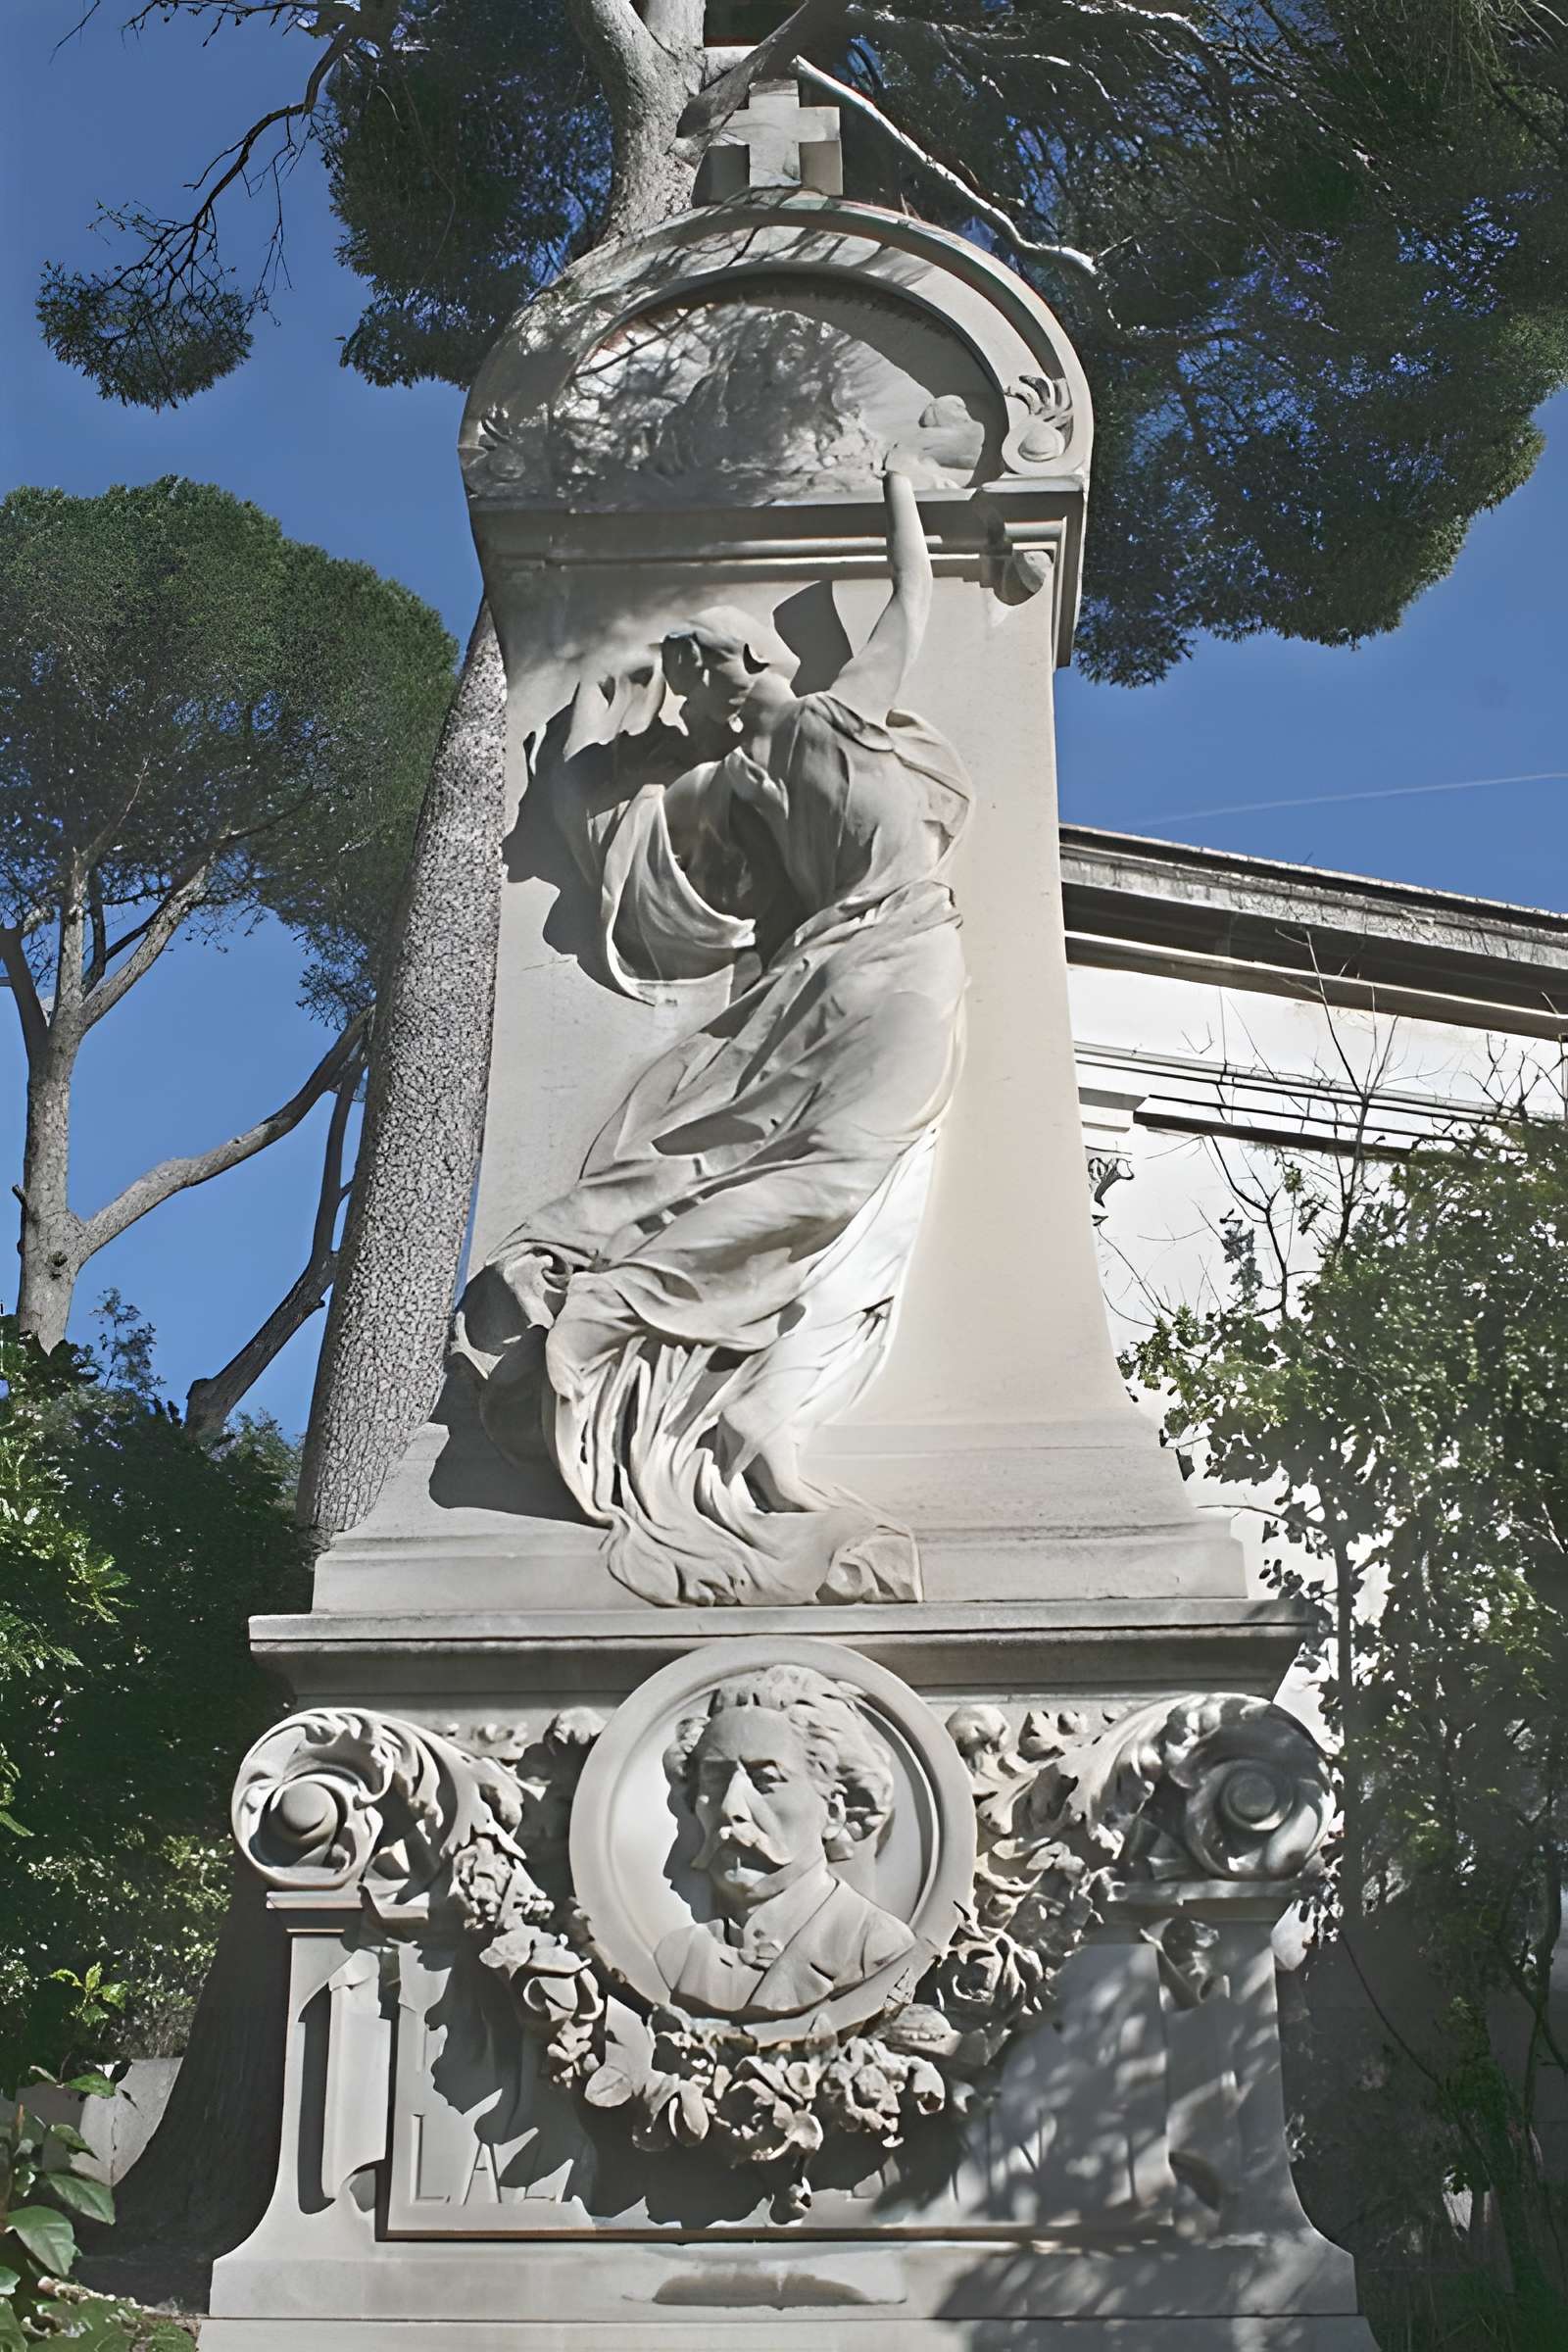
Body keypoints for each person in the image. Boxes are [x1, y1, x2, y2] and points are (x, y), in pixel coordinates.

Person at [452, 467, 969, 1608]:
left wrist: (601, 733)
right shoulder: (835, 719)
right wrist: (898, 492)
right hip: (894, 967)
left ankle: (752, 1394)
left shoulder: (736, 783)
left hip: (822, 977)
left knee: (837, 1181)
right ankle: (623, 1304)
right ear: (756, 669)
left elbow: (607, 825)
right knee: (843, 1174)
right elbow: (912, 595)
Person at [656, 1665, 915, 2020]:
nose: (732, 1809)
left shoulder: (875, 1945)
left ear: (834, 1811)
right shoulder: (679, 1954)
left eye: (765, 1781)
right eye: (715, 1781)